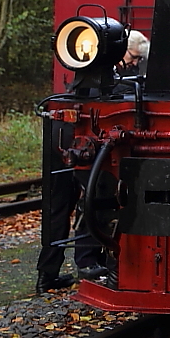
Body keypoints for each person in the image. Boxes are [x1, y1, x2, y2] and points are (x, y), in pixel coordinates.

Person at [36, 121, 108, 292]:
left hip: (57, 128)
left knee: (57, 205)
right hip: (87, 127)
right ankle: (88, 263)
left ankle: (46, 275)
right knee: (93, 196)